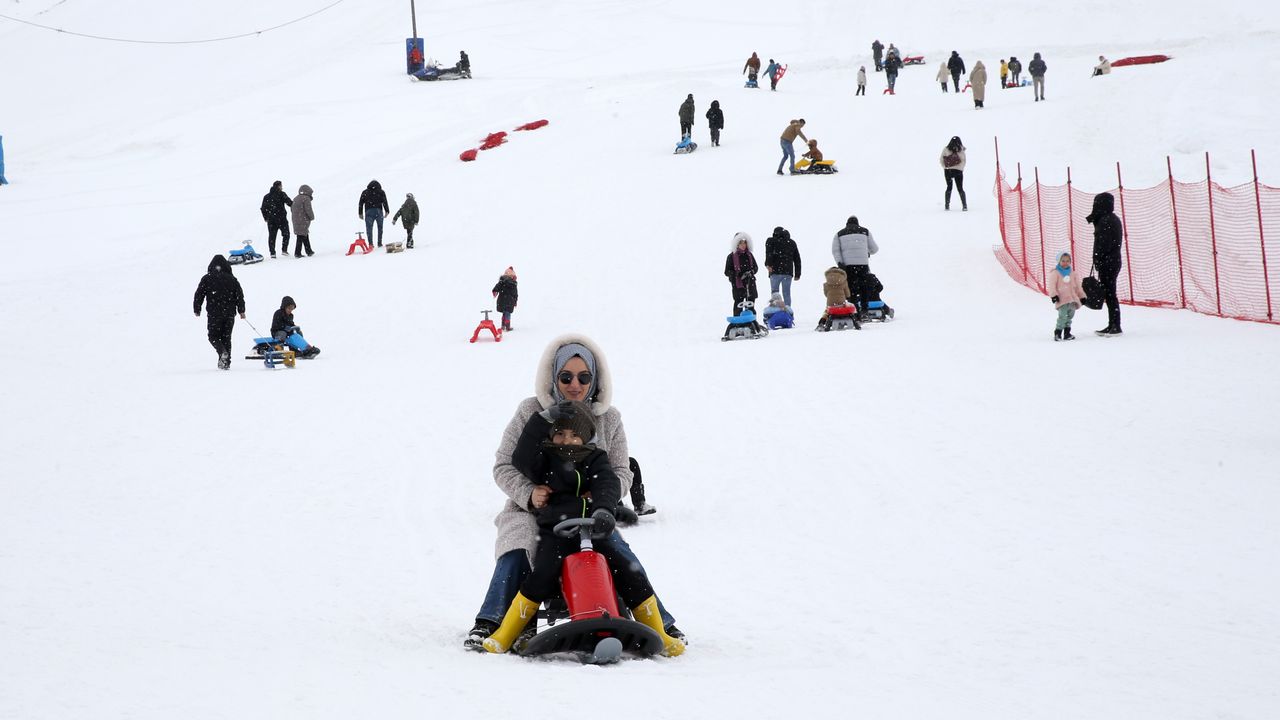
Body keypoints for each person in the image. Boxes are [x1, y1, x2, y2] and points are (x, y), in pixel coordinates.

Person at [464, 335, 683, 650]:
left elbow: (621, 471)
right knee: (519, 545)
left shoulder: (609, 418)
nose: (575, 384)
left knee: (620, 554)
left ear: (595, 379)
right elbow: (505, 465)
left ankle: (662, 624)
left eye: (584, 377)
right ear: (553, 377)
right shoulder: (531, 411)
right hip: (532, 511)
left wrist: (600, 499)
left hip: (586, 512)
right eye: (566, 377)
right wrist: (530, 493)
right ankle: (491, 621)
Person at [192, 255, 246, 370]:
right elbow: (239, 295)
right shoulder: (232, 279)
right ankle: (226, 363)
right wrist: (241, 310)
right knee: (226, 338)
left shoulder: (207, 278)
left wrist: (197, 308)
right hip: (229, 314)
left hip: (214, 313)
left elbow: (199, 294)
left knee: (213, 336)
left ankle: (222, 352)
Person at [1087, 192, 1124, 335]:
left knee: (1110, 294)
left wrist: (1098, 258)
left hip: (1109, 262)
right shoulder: (1111, 219)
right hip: (1112, 261)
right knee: (1110, 293)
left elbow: (1103, 244)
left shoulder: (1106, 220)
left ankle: (1115, 325)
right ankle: (1113, 324)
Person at [831, 216, 879, 316]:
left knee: (851, 288)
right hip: (863, 264)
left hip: (848, 266)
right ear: (858, 223)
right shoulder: (865, 232)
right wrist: (867, 252)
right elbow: (875, 249)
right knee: (864, 287)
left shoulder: (839, 234)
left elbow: (835, 250)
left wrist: (840, 262)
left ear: (846, 224)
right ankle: (865, 310)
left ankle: (855, 310)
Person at [1047, 252, 1085, 341]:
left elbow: (1078, 286)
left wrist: (1082, 296)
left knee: (1070, 316)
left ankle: (1067, 333)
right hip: (1062, 299)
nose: (1065, 263)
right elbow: (1052, 285)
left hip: (1072, 299)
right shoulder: (1055, 273)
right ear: (1059, 261)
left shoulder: (1073, 273)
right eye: (1063, 261)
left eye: (1068, 261)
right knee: (1062, 316)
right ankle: (1058, 333)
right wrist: (1054, 295)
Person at [764, 226, 802, 308]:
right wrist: (797, 273)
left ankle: (775, 311)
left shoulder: (771, 241)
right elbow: (797, 259)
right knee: (786, 293)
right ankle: (788, 312)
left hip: (775, 271)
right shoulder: (792, 242)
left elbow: (769, 254)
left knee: (775, 293)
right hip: (788, 272)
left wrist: (768, 264)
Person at [724, 232, 759, 316]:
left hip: (750, 283)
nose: (743, 245)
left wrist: (750, 272)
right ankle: (738, 325)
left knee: (750, 305)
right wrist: (737, 274)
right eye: (741, 243)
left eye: (745, 243)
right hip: (738, 285)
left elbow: (755, 267)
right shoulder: (731, 256)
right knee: (738, 305)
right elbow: (727, 271)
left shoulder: (749, 255)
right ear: (736, 244)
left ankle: (751, 322)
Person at [816, 266, 858, 331]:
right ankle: (856, 320)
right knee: (851, 306)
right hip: (842, 304)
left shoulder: (826, 284)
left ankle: (821, 323)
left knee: (826, 312)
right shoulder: (844, 282)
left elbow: (826, 294)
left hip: (831, 305)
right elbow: (848, 294)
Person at [259, 180, 292, 259]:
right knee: (286, 234)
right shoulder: (282, 194)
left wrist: (266, 217)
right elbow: (290, 203)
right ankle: (284, 250)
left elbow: (263, 208)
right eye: (281, 186)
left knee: (272, 237)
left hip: (271, 220)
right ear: (278, 186)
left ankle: (272, 253)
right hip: (282, 219)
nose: (282, 187)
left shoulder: (267, 196)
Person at [358, 180, 390, 248]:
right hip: (379, 211)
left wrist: (360, 213)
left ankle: (370, 244)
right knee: (380, 228)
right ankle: (379, 243)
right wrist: (387, 211)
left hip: (368, 211)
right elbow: (385, 201)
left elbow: (361, 203)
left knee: (369, 228)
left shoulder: (365, 192)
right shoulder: (381, 192)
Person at [940, 136, 968, 211]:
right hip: (958, 171)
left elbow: (941, 159)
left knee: (949, 187)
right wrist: (960, 169)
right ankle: (964, 205)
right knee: (960, 188)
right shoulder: (961, 149)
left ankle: (947, 205)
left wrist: (946, 167)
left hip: (948, 171)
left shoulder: (946, 149)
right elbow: (964, 160)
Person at [291, 184, 315, 258]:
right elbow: (308, 209)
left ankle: (309, 251)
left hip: (296, 219)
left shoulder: (295, 198)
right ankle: (297, 253)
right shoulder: (306, 198)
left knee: (303, 234)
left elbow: (292, 209)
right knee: (301, 235)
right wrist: (312, 217)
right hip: (303, 220)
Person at [492, 266, 518, 332]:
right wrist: (515, 301)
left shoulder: (502, 282)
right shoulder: (513, 284)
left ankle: (503, 326)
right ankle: (507, 327)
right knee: (507, 313)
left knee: (504, 313)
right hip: (509, 301)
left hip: (502, 300)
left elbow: (496, 287)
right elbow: (515, 294)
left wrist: (495, 291)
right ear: (512, 276)